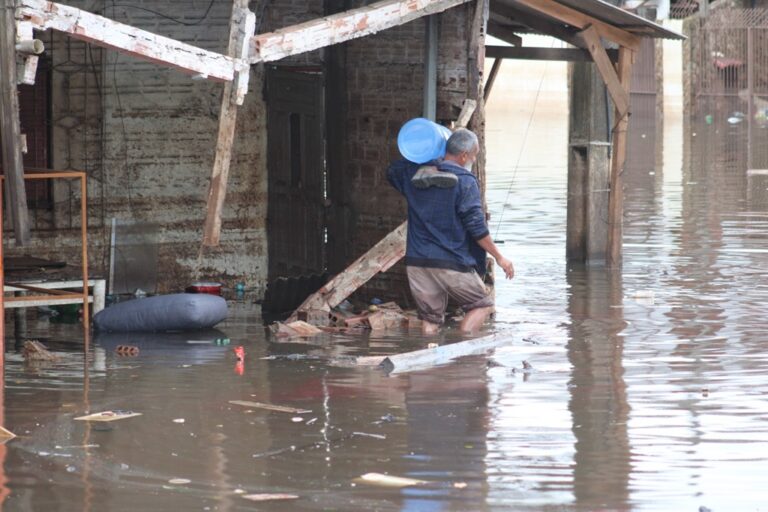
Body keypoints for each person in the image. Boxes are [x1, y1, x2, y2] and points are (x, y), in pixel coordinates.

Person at [387, 128, 514, 334]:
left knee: (431, 318)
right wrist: (499, 257)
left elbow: (392, 170)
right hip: (451, 262)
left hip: (418, 261)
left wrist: (427, 157)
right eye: (474, 155)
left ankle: (428, 355)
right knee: (483, 304)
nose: (473, 159)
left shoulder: (414, 176)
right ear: (464, 155)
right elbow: (476, 227)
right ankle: (463, 351)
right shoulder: (465, 181)